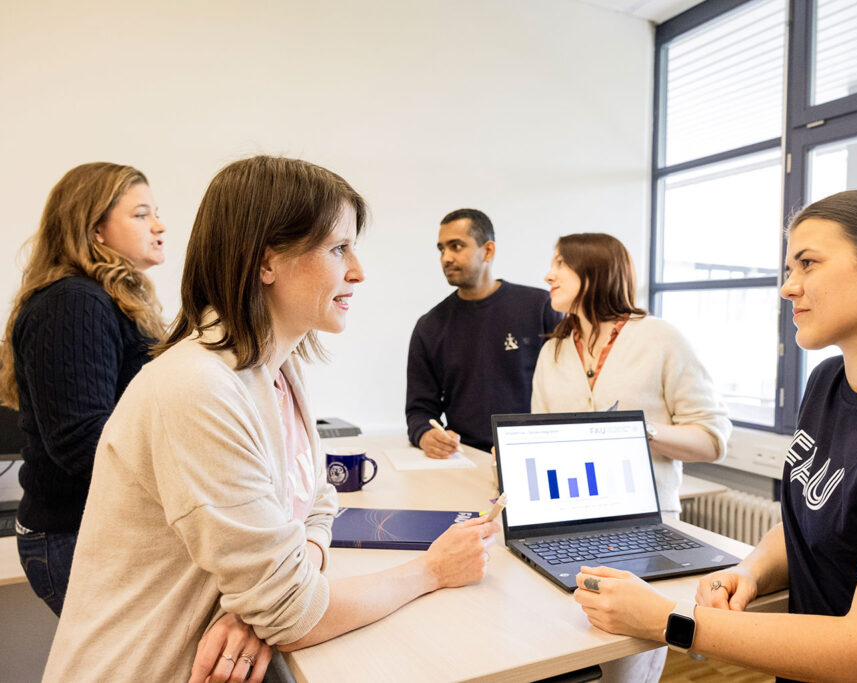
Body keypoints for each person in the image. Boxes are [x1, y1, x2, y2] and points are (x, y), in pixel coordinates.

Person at [43, 156, 499, 682]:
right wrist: (431, 570)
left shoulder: (276, 371)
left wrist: (269, 599)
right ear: (266, 263)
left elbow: (318, 503)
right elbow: (291, 615)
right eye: (337, 248)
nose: (358, 270)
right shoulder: (199, 387)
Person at [571, 190, 857, 681]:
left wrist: (668, 620)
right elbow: (812, 517)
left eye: (808, 263)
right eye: (790, 269)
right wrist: (751, 570)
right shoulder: (829, 381)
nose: (788, 287)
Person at [0, 162, 166, 616]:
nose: (159, 225)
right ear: (95, 229)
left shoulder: (105, 299)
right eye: (141, 214)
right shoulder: (74, 303)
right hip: (78, 539)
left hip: (96, 534)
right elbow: (81, 443)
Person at [532, 233, 731, 514]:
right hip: (568, 517)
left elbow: (712, 441)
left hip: (648, 521)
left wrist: (639, 430)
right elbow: (542, 444)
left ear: (596, 269)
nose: (549, 276)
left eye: (561, 263)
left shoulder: (660, 337)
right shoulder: (553, 350)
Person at [406, 208, 560, 458]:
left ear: (488, 250)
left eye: (456, 246)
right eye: (441, 249)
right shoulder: (430, 326)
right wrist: (426, 435)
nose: (446, 257)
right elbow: (419, 411)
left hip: (539, 454)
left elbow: (567, 388)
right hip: (466, 459)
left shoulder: (540, 307)